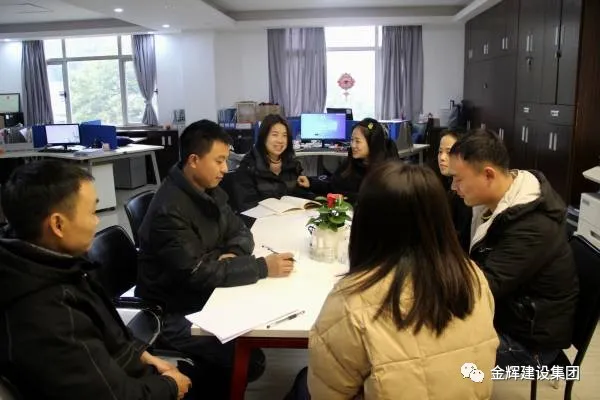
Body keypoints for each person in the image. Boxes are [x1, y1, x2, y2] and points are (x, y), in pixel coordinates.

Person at [289, 161, 499, 400]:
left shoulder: (353, 299)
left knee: (303, 383)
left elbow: (326, 393)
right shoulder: (472, 275)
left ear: (366, 223)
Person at [0, 160, 191, 399]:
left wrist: (143, 356)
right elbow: (111, 395)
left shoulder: (57, 264)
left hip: (128, 375)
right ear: (58, 224)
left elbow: (109, 332)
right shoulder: (47, 315)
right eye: (92, 212)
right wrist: (171, 386)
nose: (97, 221)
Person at [136, 119, 295, 398]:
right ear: (194, 160)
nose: (225, 169)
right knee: (249, 360)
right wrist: (260, 267)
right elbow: (196, 273)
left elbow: (241, 231)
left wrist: (230, 257)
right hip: (171, 311)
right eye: (219, 161)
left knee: (257, 332)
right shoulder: (169, 211)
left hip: (201, 294)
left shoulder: (209, 190)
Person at [448, 129, 578, 368]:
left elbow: (483, 289)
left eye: (458, 179)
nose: (454, 187)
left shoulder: (533, 227)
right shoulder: (489, 203)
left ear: (488, 175)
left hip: (529, 342)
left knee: (434, 350)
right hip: (506, 314)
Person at [297, 118, 399, 205]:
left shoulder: (386, 172)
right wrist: (311, 183)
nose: (353, 145)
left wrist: (344, 198)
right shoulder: (351, 163)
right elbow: (333, 187)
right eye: (352, 140)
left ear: (372, 143)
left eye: (357, 141)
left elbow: (377, 201)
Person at [233, 114, 312, 212]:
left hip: (292, 217)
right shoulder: (249, 166)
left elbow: (299, 196)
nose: (280, 140)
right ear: (264, 137)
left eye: (284, 135)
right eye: (275, 134)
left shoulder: (292, 164)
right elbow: (248, 207)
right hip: (263, 219)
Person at [438, 129, 472, 252]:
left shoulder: (465, 195)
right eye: (440, 152)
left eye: (449, 152)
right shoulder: (443, 182)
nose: (442, 158)